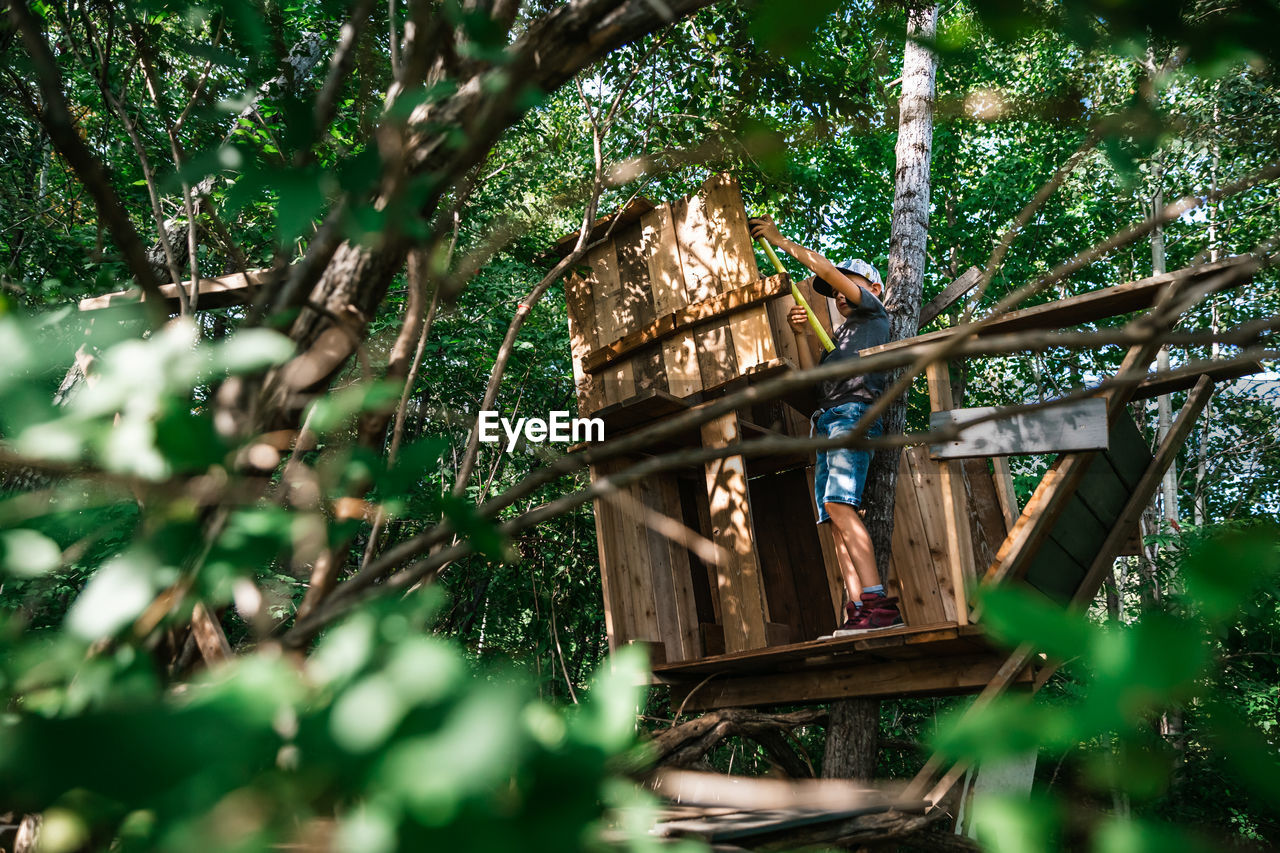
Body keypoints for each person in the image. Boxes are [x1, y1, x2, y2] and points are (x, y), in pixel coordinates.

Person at [748, 215, 902, 634]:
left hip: (853, 415)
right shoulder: (842, 345)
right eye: (834, 293)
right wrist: (801, 335)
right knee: (831, 520)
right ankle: (858, 609)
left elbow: (826, 269)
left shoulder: (875, 315)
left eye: (845, 285)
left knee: (840, 506)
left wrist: (779, 240)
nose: (836, 293)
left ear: (873, 288)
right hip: (828, 420)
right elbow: (811, 378)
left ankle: (878, 604)